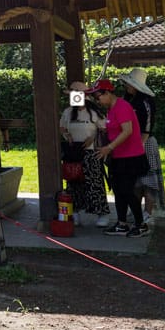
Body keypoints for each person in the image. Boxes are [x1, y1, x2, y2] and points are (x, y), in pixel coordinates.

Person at [88, 79, 149, 238]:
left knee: (127, 191)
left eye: (98, 97)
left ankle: (141, 224)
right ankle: (122, 223)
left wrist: (109, 147)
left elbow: (127, 130)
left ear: (108, 93)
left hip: (131, 157)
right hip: (118, 156)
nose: (98, 100)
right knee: (118, 190)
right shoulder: (111, 109)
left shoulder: (122, 106)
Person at [59, 81, 111, 227]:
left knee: (95, 183)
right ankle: (75, 212)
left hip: (91, 152)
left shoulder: (94, 112)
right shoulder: (68, 112)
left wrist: (92, 138)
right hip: (73, 152)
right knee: (73, 183)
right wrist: (67, 135)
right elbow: (62, 127)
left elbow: (104, 129)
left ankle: (102, 213)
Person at [120, 68, 165, 222]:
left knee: (148, 180)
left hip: (144, 143)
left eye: (129, 83)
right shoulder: (126, 100)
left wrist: (139, 145)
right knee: (135, 181)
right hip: (130, 143)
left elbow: (147, 127)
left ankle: (148, 212)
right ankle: (136, 210)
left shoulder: (146, 102)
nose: (127, 86)